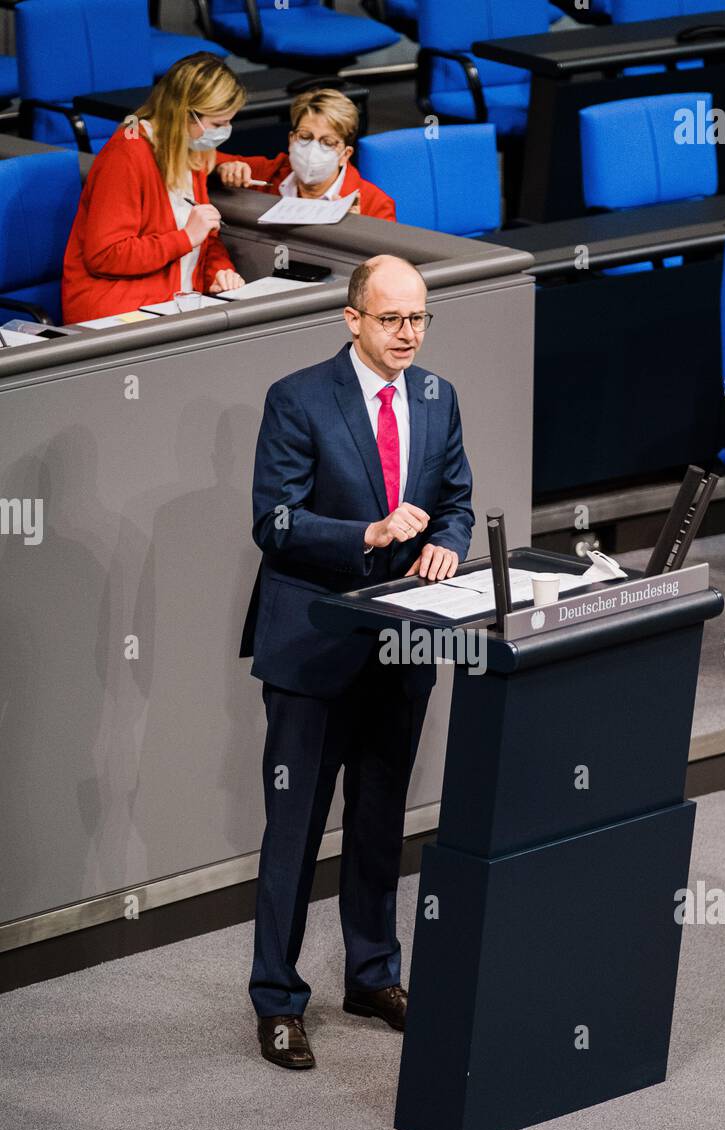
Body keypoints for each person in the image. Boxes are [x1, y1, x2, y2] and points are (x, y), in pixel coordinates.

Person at [241, 254, 474, 1070]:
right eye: (391, 319)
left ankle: (373, 973)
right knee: (294, 832)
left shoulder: (437, 399)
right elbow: (273, 522)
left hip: (400, 643)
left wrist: (445, 545)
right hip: (312, 648)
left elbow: (456, 501)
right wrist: (366, 535)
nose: (408, 334)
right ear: (352, 319)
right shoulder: (299, 398)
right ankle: (276, 998)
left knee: (380, 823)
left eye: (418, 319)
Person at [62, 54, 246, 324]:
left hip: (174, 306)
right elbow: (105, 255)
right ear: (184, 113)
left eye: (229, 122)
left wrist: (220, 272)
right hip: (117, 313)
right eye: (217, 124)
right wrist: (184, 239)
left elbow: (204, 235)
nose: (223, 132)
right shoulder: (126, 156)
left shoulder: (192, 151)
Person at [215, 87, 396, 221]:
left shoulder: (375, 204)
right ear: (291, 139)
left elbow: (388, 268)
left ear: (345, 155)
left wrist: (357, 230)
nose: (313, 149)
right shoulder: (270, 172)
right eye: (305, 136)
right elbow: (200, 160)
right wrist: (222, 168)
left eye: (327, 142)